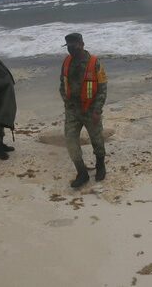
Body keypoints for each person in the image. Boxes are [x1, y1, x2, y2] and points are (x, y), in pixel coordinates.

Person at [60, 33, 108, 189]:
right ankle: (82, 173)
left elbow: (102, 88)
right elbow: (62, 83)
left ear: (82, 44)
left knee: (97, 141)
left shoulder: (94, 62)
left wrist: (97, 110)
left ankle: (100, 166)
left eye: (73, 46)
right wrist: (66, 102)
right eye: (68, 47)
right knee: (70, 141)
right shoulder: (66, 62)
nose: (71, 50)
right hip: (72, 111)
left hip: (91, 110)